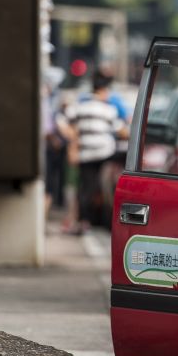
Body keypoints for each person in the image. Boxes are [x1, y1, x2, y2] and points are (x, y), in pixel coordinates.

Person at [64, 71, 129, 235]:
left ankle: (82, 221)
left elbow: (67, 124)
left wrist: (73, 145)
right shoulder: (108, 109)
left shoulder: (79, 106)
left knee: (85, 187)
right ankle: (103, 217)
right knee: (101, 184)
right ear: (103, 91)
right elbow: (122, 131)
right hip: (104, 153)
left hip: (85, 155)